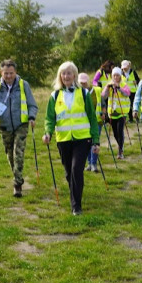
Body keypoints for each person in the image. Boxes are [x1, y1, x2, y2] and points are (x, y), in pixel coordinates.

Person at [43, 61, 101, 215]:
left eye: (69, 73)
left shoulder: (83, 93)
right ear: (60, 76)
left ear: (74, 75)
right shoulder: (55, 95)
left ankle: (76, 206)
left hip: (82, 139)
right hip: (63, 140)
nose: (66, 76)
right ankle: (75, 192)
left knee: (76, 170)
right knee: (69, 173)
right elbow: (50, 118)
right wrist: (48, 132)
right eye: (63, 73)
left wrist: (95, 140)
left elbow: (92, 118)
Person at [0, 59, 37, 197]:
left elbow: (32, 104)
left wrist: (32, 117)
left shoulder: (23, 85)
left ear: (16, 72)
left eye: (11, 73)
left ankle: (17, 184)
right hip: (5, 126)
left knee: (18, 153)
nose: (8, 76)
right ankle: (17, 176)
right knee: (10, 155)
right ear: (1, 72)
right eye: (6, 73)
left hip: (21, 125)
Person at [101, 67, 131, 158]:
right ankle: (120, 146)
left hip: (122, 112)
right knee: (115, 133)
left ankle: (120, 151)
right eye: (114, 75)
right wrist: (107, 87)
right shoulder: (109, 84)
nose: (115, 77)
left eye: (117, 75)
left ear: (120, 76)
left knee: (119, 130)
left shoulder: (123, 84)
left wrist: (119, 88)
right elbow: (103, 96)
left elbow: (128, 93)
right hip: (112, 113)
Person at [78, 72, 102, 172]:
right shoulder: (77, 93)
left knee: (94, 142)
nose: (83, 85)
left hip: (96, 120)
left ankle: (94, 164)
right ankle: (89, 163)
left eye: (84, 83)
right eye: (81, 83)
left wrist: (103, 112)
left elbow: (103, 102)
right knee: (87, 143)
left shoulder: (96, 90)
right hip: (84, 122)